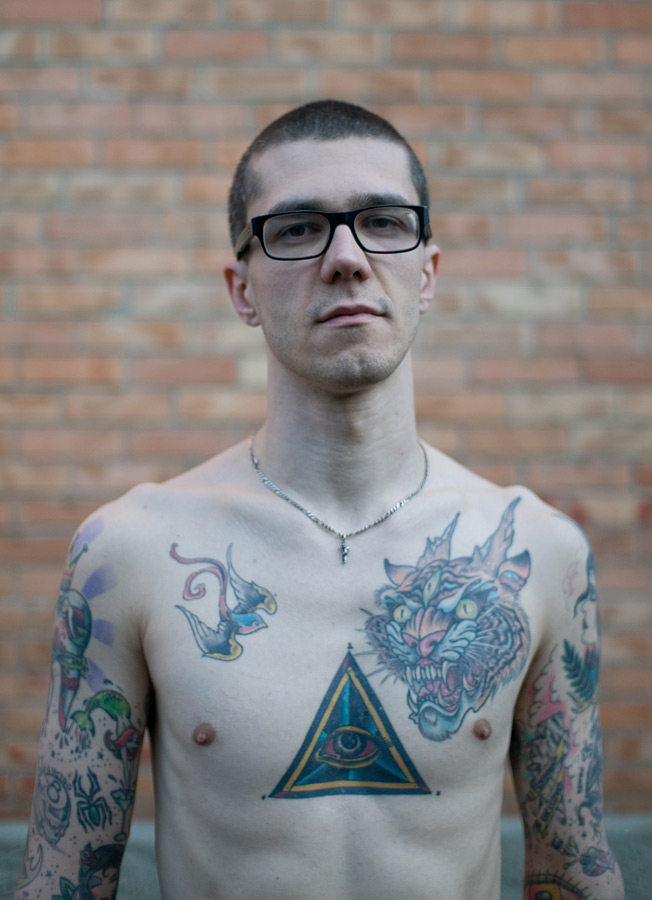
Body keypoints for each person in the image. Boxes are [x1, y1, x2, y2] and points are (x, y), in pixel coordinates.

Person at [15, 100, 624, 900]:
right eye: (298, 229)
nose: (346, 258)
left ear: (428, 272)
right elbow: (62, 882)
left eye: (383, 222)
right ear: (241, 289)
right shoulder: (131, 552)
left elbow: (573, 873)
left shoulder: (541, 552)